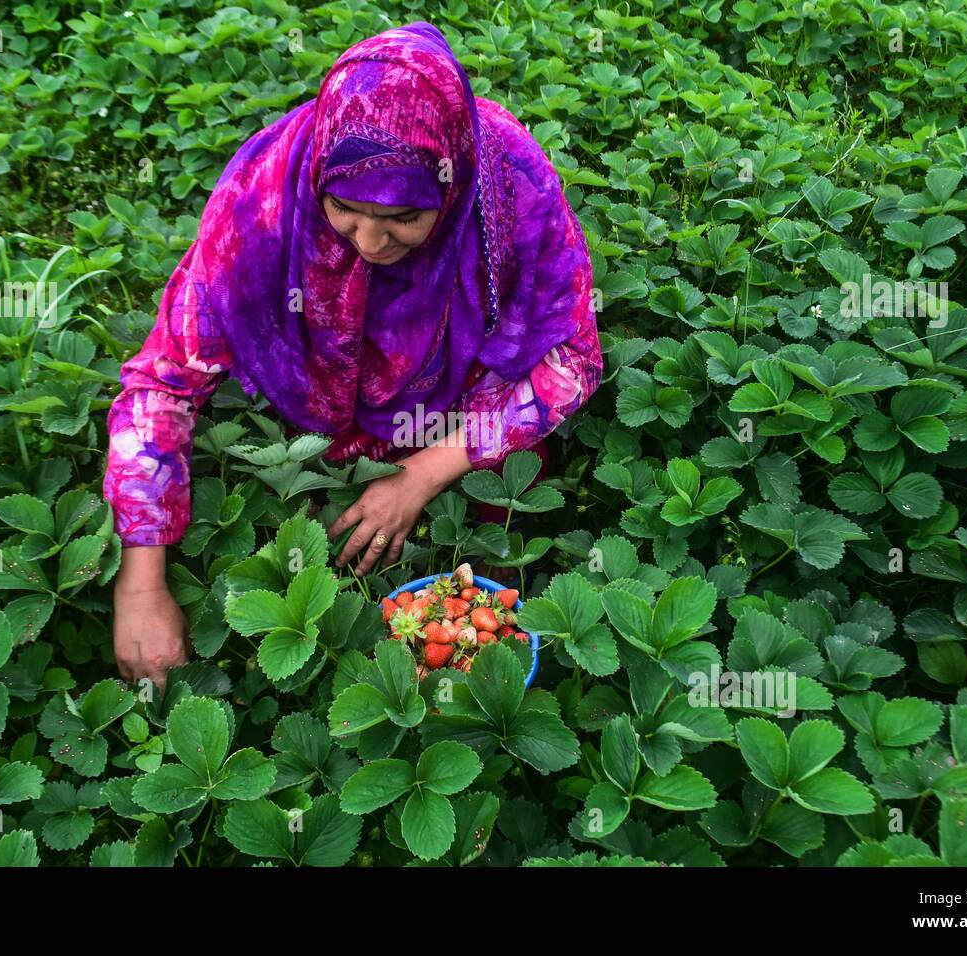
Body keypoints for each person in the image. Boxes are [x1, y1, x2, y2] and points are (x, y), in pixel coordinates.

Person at [103, 22, 602, 690]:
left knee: (493, 555)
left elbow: (570, 359)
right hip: (327, 426)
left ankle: (487, 600)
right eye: (344, 207)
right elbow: (162, 384)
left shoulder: (508, 184)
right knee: (320, 566)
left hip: (459, 419)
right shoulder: (266, 199)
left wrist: (425, 474)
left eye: (404, 218)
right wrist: (141, 583)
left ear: (449, 189)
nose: (369, 242)